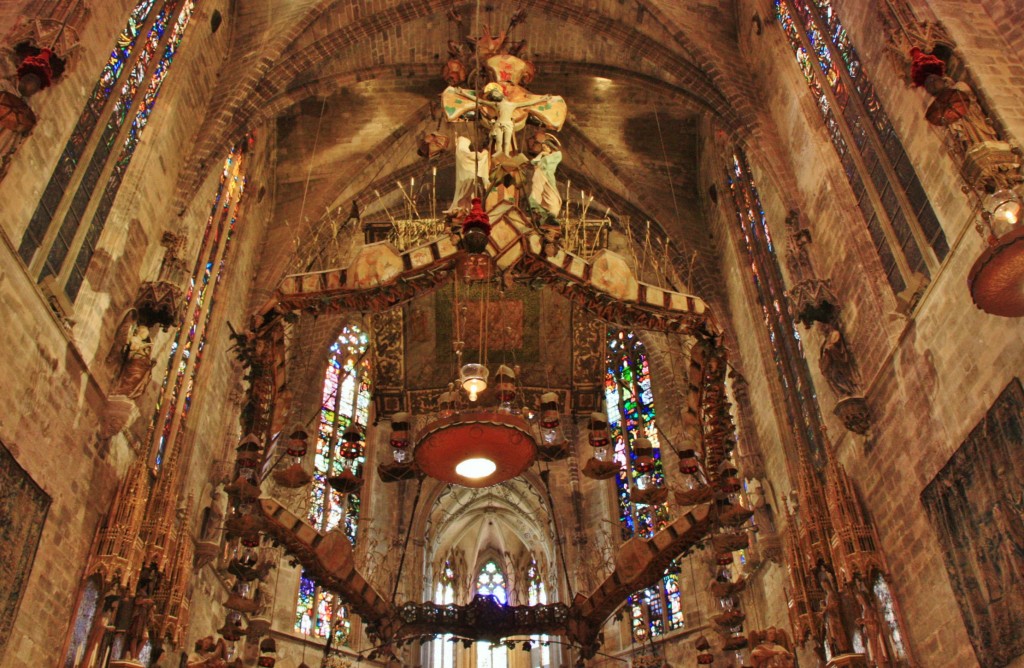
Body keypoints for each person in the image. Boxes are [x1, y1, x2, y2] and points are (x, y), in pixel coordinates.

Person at [476, 83, 550, 156]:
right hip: (499, 123)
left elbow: (528, 103)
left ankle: (506, 155)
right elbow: (480, 101)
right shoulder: (496, 104)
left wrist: (542, 99)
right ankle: (498, 154)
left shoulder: (512, 105)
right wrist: (464, 94)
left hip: (508, 124)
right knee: (499, 141)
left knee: (506, 142)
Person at [528, 138, 563, 221]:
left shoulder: (557, 154)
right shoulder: (544, 155)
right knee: (538, 192)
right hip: (540, 176)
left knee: (553, 198)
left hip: (549, 178)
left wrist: (545, 156)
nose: (544, 149)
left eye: (546, 147)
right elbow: (533, 162)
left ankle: (552, 213)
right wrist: (541, 154)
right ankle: (538, 209)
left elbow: (547, 162)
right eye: (543, 147)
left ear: (550, 147)